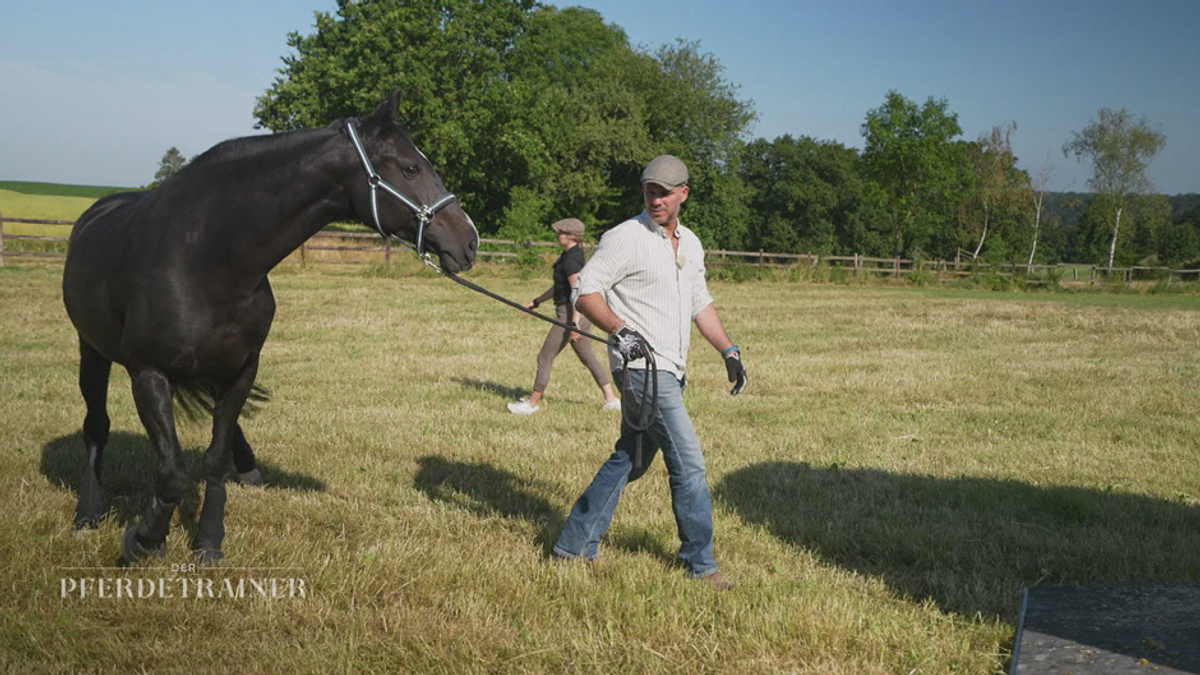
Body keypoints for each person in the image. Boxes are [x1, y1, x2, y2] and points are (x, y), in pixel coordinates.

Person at [552, 155, 748, 590]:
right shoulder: (625, 237)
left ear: (683, 194)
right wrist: (620, 330)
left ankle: (573, 544)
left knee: (631, 460)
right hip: (643, 369)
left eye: (664, 191)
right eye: (649, 191)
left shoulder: (691, 244)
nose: (655, 199)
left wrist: (728, 350)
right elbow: (587, 292)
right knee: (690, 464)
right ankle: (702, 565)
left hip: (674, 369)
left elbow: (701, 303)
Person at [507, 218, 621, 415]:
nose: (557, 235)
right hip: (574, 316)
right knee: (588, 357)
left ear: (570, 236)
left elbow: (579, 292)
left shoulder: (571, 260)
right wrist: (537, 301)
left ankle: (532, 404)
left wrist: (574, 324)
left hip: (570, 316)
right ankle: (611, 399)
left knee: (545, 356)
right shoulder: (570, 255)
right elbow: (560, 287)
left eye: (560, 232)